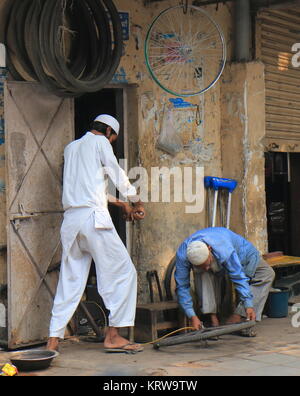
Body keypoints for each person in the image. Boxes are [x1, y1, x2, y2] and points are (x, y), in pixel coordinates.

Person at [47, 114, 145, 353]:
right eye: (114, 139)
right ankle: (113, 336)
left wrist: (122, 205)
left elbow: (88, 187)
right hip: (93, 220)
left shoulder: (72, 148)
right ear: (109, 132)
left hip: (72, 223)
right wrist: (136, 200)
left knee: (69, 282)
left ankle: (52, 341)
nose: (111, 143)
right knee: (124, 272)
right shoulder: (100, 142)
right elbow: (116, 173)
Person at [175, 227, 275, 333]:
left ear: (209, 249)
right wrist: (192, 316)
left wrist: (248, 305)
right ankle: (213, 319)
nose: (206, 268)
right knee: (203, 273)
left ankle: (239, 316)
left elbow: (238, 276)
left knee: (267, 274)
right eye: (201, 266)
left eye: (207, 264)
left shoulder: (223, 248)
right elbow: (182, 287)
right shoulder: (182, 256)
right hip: (219, 260)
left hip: (243, 256)